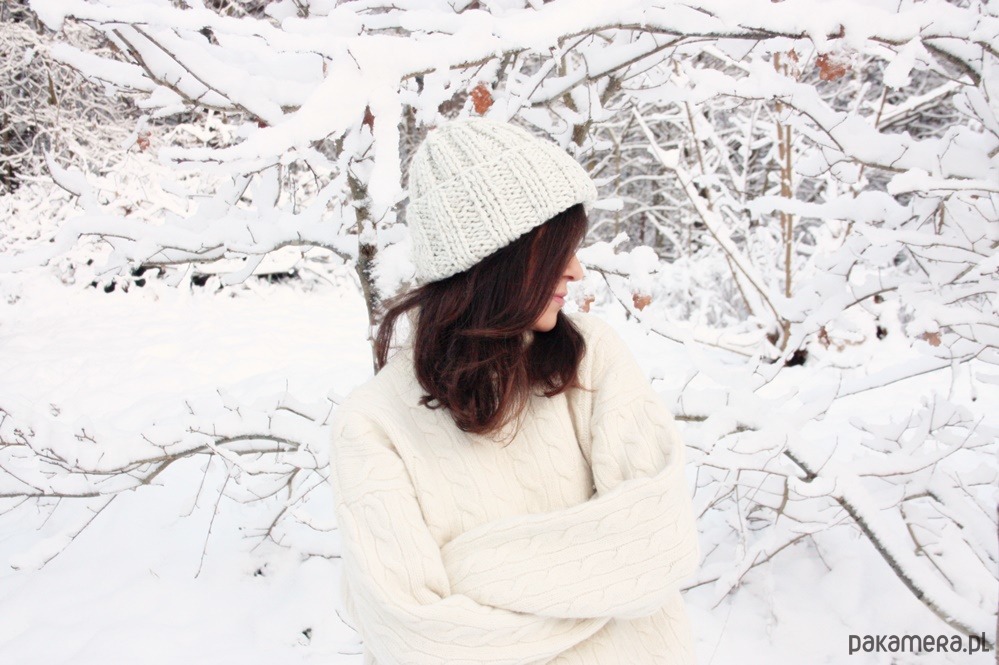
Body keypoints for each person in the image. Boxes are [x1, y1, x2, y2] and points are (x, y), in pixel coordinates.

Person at [328, 118, 699, 664]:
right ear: (493, 261)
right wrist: (601, 580)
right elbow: (418, 644)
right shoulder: (373, 424)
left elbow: (661, 542)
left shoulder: (591, 357)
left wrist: (467, 571)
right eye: (555, 251)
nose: (576, 271)